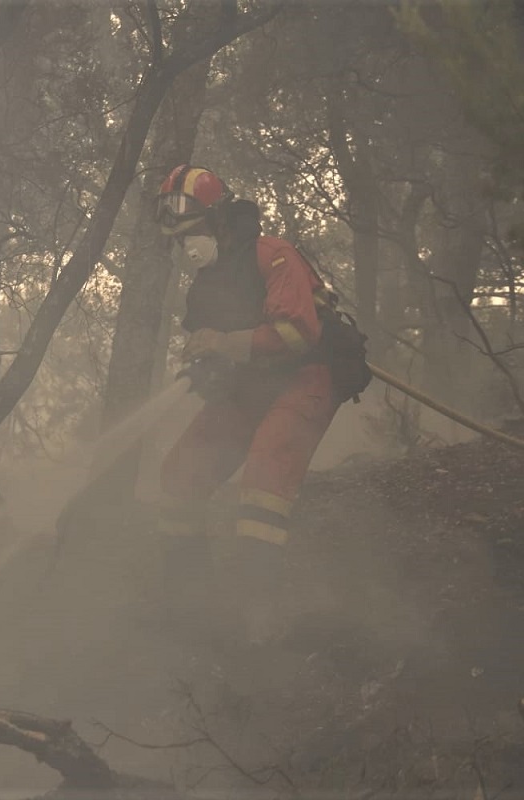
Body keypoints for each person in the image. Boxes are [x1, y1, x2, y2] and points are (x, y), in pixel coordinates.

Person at [154, 164, 349, 647]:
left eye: (192, 232)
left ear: (218, 220)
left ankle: (258, 619)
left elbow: (296, 332)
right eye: (179, 239)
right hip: (248, 386)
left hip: (305, 378)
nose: (187, 246)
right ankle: (190, 602)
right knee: (179, 474)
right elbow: (213, 345)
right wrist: (205, 360)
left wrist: (223, 343)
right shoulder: (206, 284)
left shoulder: (272, 255)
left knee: (264, 476)